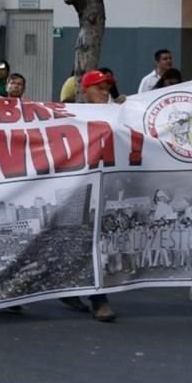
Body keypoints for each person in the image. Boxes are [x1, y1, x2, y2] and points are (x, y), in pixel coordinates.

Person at [59, 69, 119, 322]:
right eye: (99, 88)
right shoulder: (71, 115)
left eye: (107, 88)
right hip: (78, 189)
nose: (105, 93)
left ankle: (93, 295)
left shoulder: (117, 113)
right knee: (80, 241)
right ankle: (87, 294)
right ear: (85, 91)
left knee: (98, 242)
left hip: (105, 189)